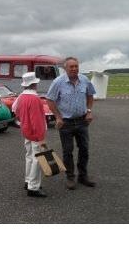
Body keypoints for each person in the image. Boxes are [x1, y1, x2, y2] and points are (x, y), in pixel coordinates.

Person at [46, 57, 97, 190]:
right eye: (71, 67)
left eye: (76, 66)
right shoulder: (58, 82)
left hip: (82, 121)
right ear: (65, 68)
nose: (74, 69)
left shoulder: (84, 80)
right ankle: (70, 177)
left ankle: (83, 176)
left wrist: (89, 111)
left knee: (84, 149)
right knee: (68, 151)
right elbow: (50, 100)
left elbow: (90, 95)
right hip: (66, 123)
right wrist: (58, 117)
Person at [12, 72, 48, 198]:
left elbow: (14, 109)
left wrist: (23, 119)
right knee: (37, 159)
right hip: (35, 134)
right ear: (34, 84)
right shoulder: (35, 99)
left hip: (26, 131)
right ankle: (33, 187)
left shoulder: (21, 97)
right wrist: (41, 138)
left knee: (29, 157)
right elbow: (37, 121)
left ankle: (28, 181)